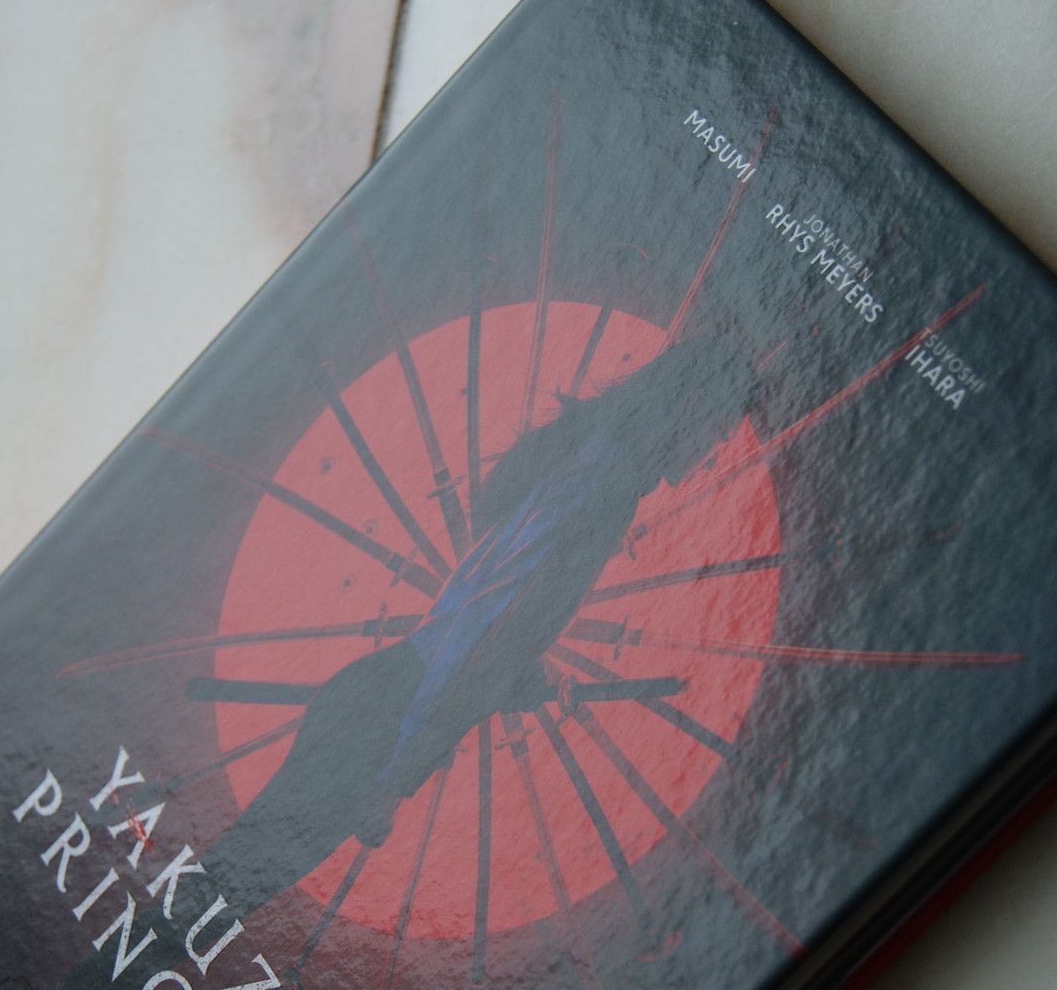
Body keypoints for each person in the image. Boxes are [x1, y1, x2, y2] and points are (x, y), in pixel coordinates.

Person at [196, 336, 762, 914]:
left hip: (376, 695)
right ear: (691, 403)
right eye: (718, 434)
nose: (711, 454)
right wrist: (397, 779)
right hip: (379, 726)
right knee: (218, 899)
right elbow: (482, 634)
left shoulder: (586, 455)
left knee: (217, 889)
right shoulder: (606, 488)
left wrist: (518, 671)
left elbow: (488, 609)